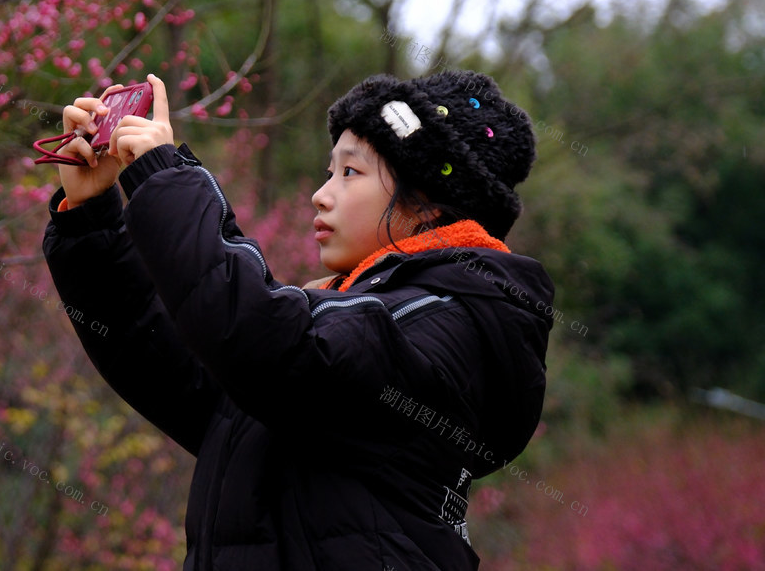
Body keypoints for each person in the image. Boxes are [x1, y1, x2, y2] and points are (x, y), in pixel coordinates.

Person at [42, 70, 554, 570]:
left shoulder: (447, 321)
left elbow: (268, 346)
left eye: (349, 173)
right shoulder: (331, 323)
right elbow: (179, 370)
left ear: (425, 205)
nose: (321, 194)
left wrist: (166, 178)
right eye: (329, 171)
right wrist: (92, 218)